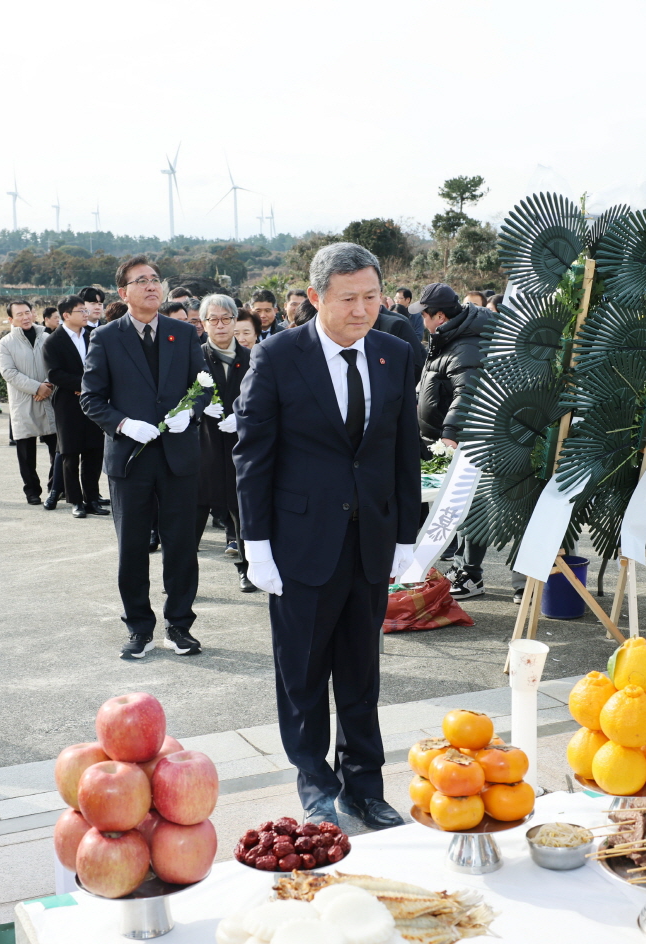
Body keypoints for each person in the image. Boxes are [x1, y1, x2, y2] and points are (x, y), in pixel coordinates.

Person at [233, 242, 420, 829]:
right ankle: (316, 783)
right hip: (298, 544)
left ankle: (366, 785)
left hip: (369, 539)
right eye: (348, 299)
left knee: (362, 671)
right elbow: (253, 454)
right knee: (304, 672)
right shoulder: (278, 356)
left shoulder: (396, 352)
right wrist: (255, 544)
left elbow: (401, 451)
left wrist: (408, 537)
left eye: (372, 296)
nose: (362, 310)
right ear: (315, 298)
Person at [80, 255, 220, 659]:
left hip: (178, 456)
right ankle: (139, 627)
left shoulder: (182, 332)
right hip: (130, 458)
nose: (151, 286)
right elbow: (91, 399)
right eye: (141, 281)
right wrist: (124, 425)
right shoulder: (106, 337)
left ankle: (180, 625)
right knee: (133, 547)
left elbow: (203, 387)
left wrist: (189, 415)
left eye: (155, 279)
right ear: (123, 293)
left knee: (180, 546)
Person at [415, 283, 491, 599]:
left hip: (463, 445)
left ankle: (470, 575)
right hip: (442, 442)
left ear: (440, 316)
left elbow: (467, 393)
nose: (421, 321)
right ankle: (460, 568)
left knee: (468, 507)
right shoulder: (449, 338)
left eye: (424, 315)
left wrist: (450, 436)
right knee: (454, 509)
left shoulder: (465, 345)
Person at [195, 294, 254, 590]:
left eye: (226, 319)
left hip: (238, 448)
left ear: (235, 321)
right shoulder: (193, 356)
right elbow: (176, 396)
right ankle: (180, 578)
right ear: (203, 324)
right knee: (193, 513)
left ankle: (246, 568)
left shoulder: (252, 358)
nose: (220, 325)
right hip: (201, 446)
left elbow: (264, 402)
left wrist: (242, 418)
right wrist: (197, 406)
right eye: (212, 319)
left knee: (241, 510)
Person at [44, 295, 107, 518]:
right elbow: (55, 374)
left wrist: (92, 387)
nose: (86, 314)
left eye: (85, 310)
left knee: (94, 450)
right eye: (81, 311)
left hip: (93, 402)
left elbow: (102, 365)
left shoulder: (93, 336)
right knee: (70, 453)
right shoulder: (53, 341)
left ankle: (92, 499)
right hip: (68, 403)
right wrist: (83, 385)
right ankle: (76, 501)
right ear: (66, 315)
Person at [0, 301, 58, 505]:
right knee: (26, 452)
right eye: (19, 314)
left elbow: (57, 365)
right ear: (11, 319)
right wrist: (36, 388)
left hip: (49, 397)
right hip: (24, 400)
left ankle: (56, 487)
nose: (25, 317)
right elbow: (9, 373)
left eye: (27, 313)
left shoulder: (47, 337)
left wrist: (47, 386)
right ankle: (32, 491)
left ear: (33, 314)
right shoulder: (6, 344)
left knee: (57, 448)